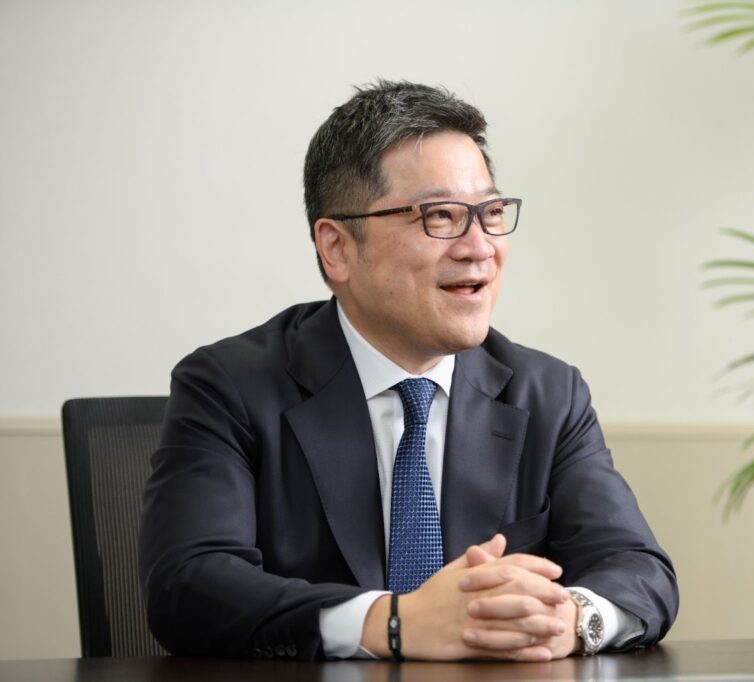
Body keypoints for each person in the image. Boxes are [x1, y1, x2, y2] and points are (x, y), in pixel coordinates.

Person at [138, 80, 678, 662]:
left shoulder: (548, 393)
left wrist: (571, 618)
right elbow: (189, 586)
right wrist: (393, 623)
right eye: (440, 216)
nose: (480, 247)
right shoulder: (229, 386)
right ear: (337, 248)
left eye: (491, 213)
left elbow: (639, 569)